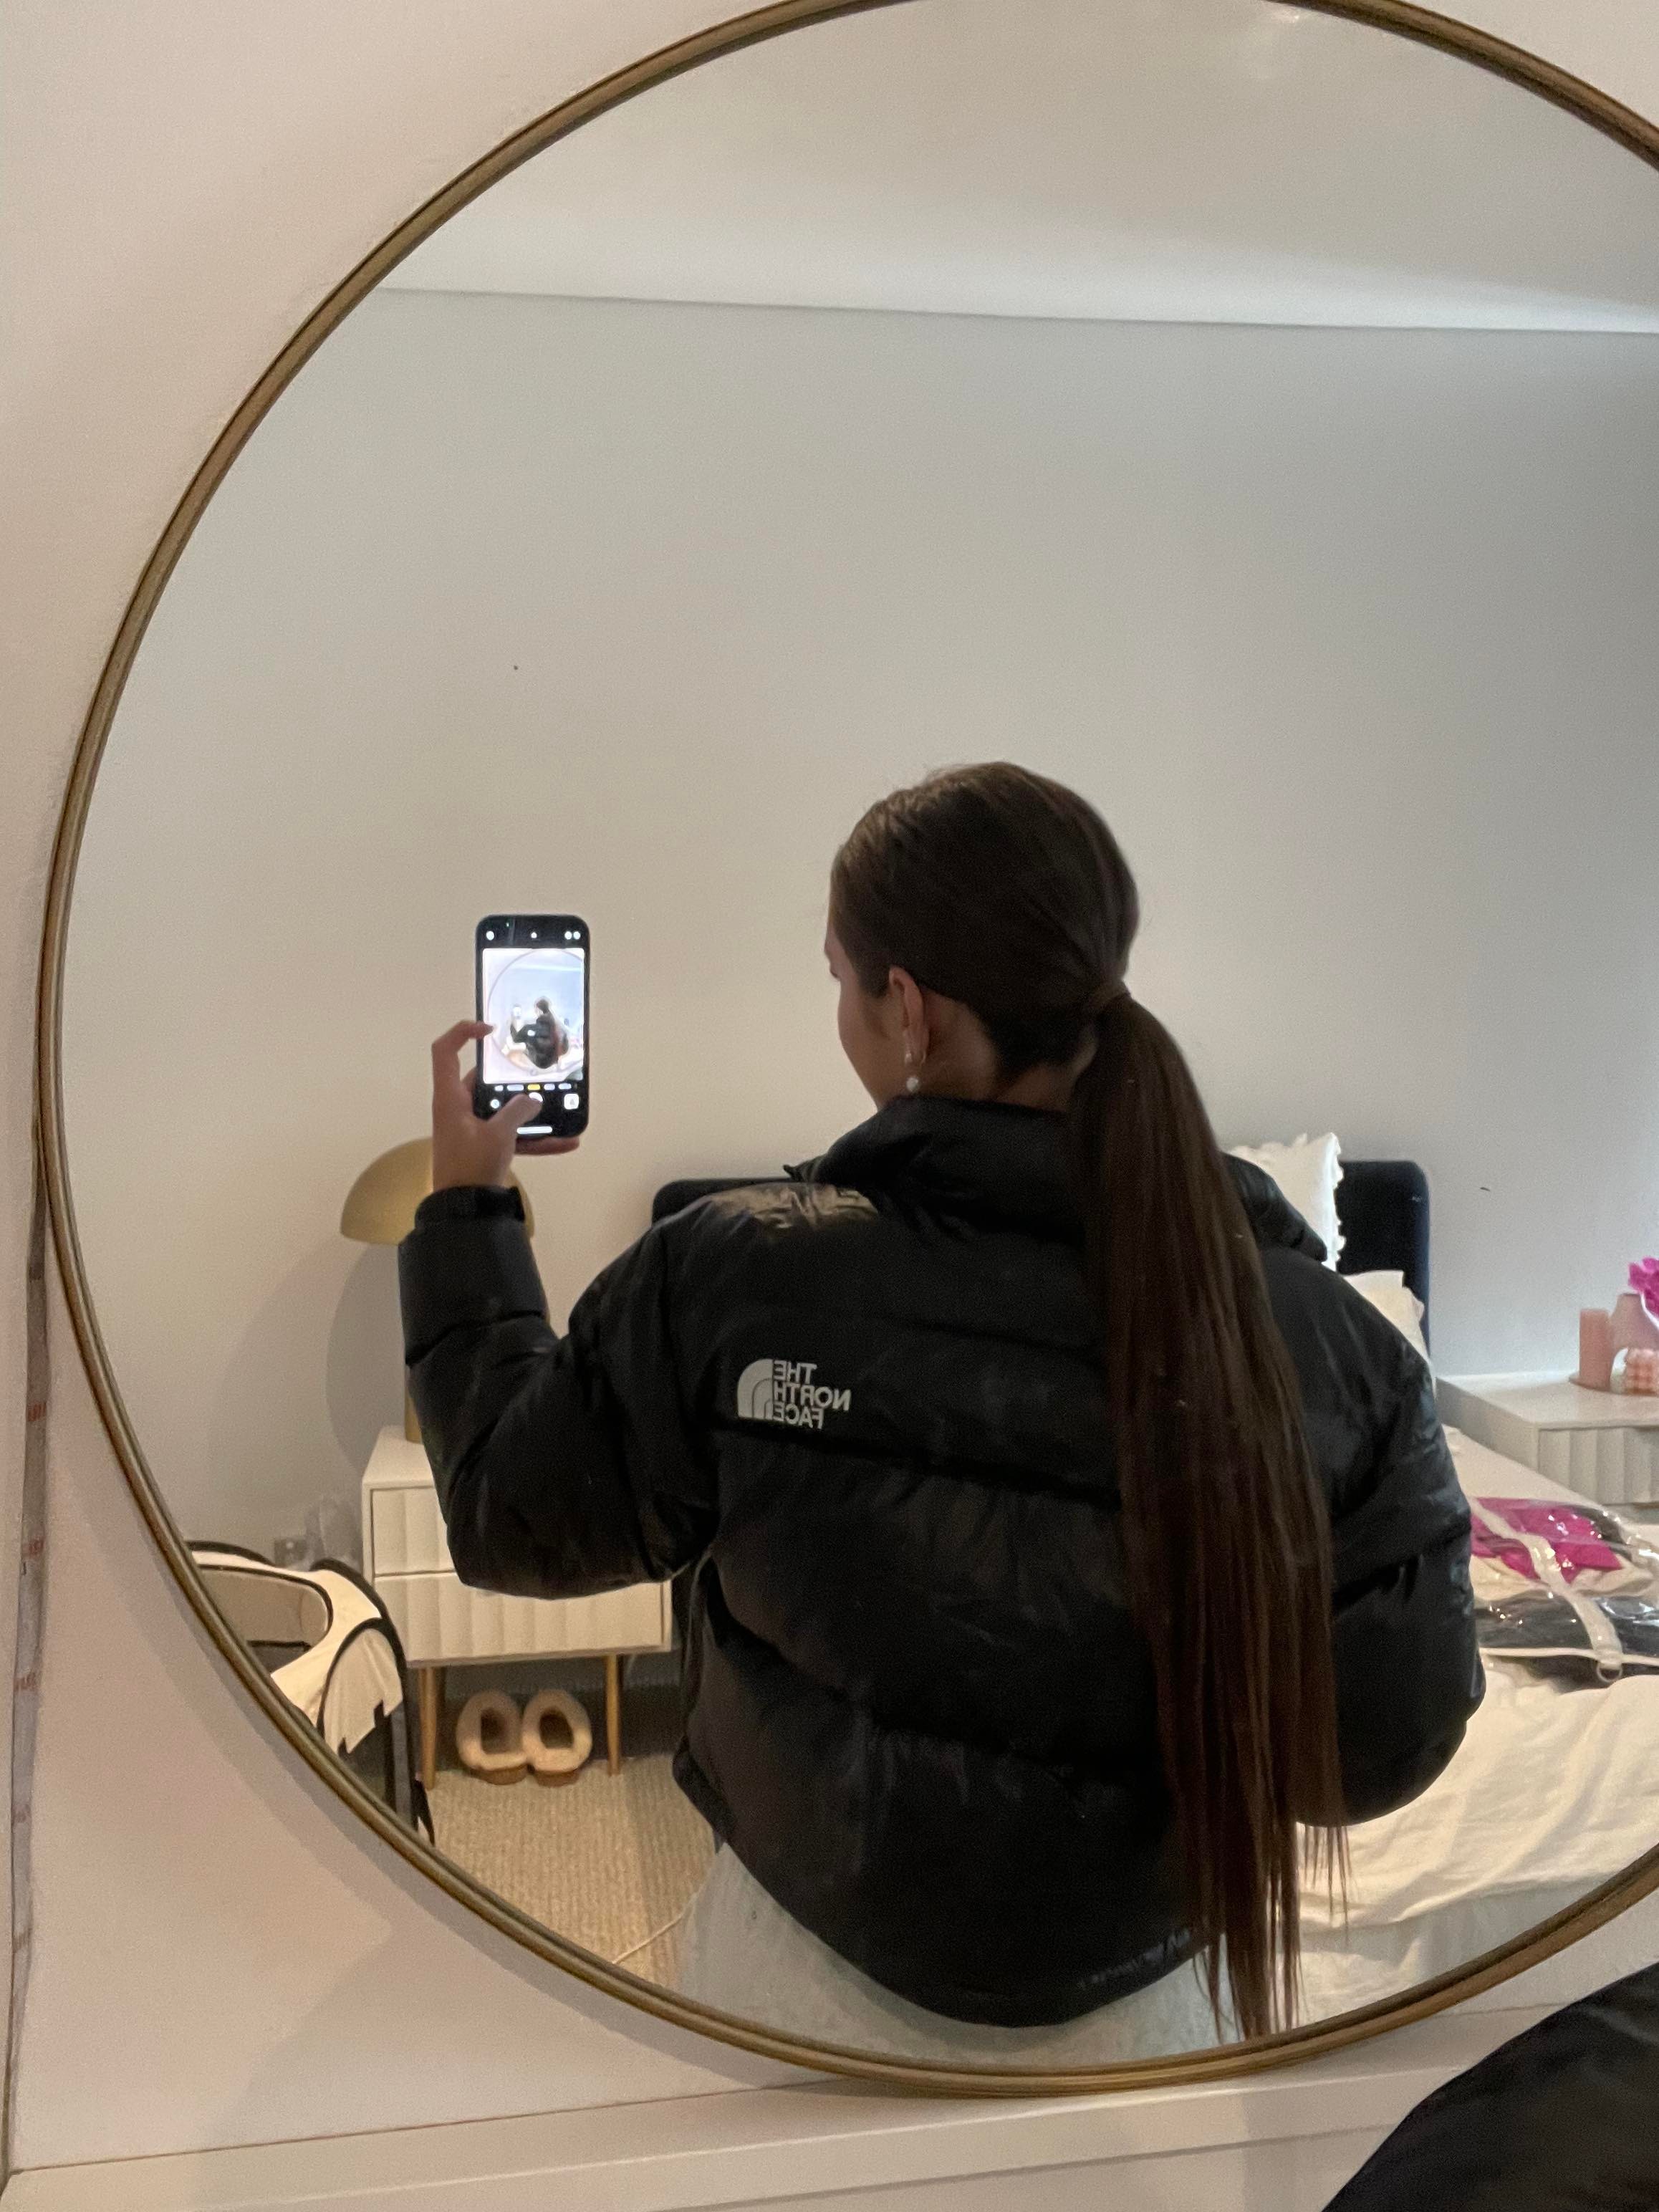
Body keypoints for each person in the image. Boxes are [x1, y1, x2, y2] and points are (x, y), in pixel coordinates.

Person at [399, 762, 1481, 2059]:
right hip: (1155, 2015)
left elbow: (506, 1513)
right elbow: (1378, 1749)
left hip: (802, 1985)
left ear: (907, 1011)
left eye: (839, 978)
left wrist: (469, 1209)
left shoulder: (731, 1278)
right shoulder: (1339, 1349)